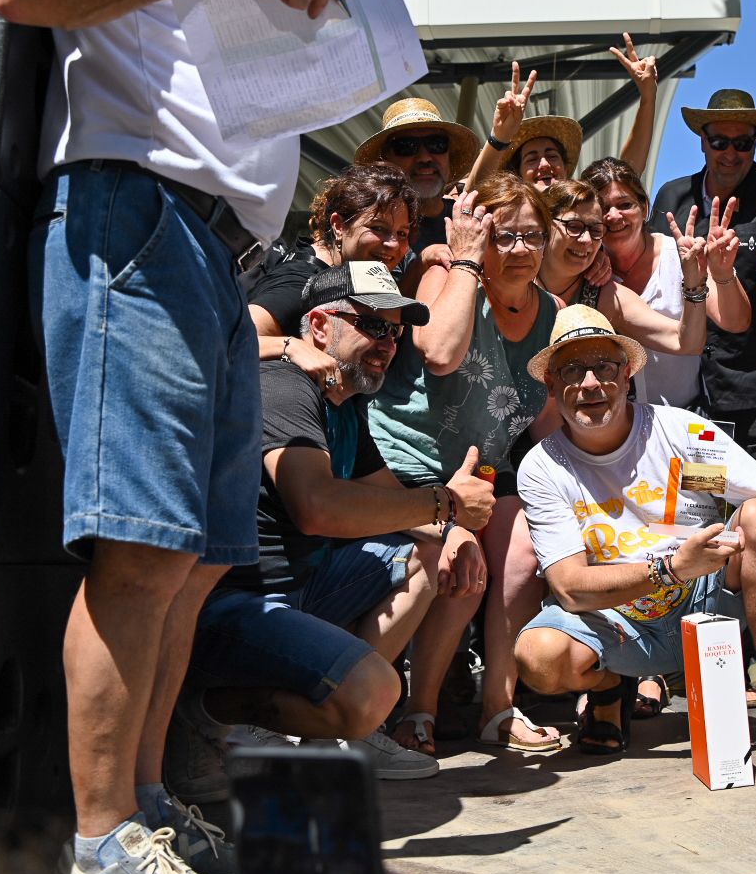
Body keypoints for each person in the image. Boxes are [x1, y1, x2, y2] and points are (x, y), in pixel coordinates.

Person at [0, 0, 371, 874]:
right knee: (143, 546)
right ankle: (104, 848)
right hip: (137, 215)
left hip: (215, 255)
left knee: (196, 563)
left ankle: (144, 813)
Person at [168, 262, 496, 801]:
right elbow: (316, 508)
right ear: (319, 326)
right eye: (372, 324)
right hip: (231, 610)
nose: (388, 343)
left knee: (427, 554)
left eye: (395, 331)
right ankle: (207, 713)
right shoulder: (284, 387)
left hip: (298, 592)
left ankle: (336, 729)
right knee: (372, 694)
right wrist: (444, 503)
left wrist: (452, 524)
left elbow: (395, 501)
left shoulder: (344, 404)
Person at [513, 306, 756, 764]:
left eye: (604, 367)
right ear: (551, 386)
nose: (590, 382)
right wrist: (670, 568)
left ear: (627, 374)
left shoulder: (681, 437)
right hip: (617, 623)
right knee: (538, 656)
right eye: (572, 369)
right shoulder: (543, 467)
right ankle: (611, 685)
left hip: (705, 598)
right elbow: (569, 587)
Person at [367, 173, 563, 756]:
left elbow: (547, 423)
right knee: (462, 555)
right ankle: (418, 710)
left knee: (524, 544)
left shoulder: (551, 311)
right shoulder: (447, 276)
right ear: (480, 236)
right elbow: (442, 354)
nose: (521, 250)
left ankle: (498, 708)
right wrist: (465, 264)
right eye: (505, 236)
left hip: (481, 474)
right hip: (405, 461)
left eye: (532, 236)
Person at [650, 89, 756, 469]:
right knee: (698, 508)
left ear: (755, 145)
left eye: (742, 143)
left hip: (749, 392)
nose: (730, 153)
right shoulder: (671, 196)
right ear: (702, 141)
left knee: (755, 505)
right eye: (719, 141)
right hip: (677, 391)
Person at [583, 156, 752, 408]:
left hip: (683, 419)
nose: (614, 216)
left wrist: (722, 273)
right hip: (611, 426)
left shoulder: (681, 256)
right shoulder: (584, 270)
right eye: (603, 208)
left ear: (644, 207)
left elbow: (736, 322)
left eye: (625, 204)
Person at [246, 163, 415, 383]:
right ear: (338, 225)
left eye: (402, 233)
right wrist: (290, 346)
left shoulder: (344, 272)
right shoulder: (300, 282)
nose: (393, 244)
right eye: (378, 228)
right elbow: (234, 339)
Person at [537, 176, 740, 359]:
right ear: (544, 225)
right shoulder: (516, 273)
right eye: (573, 227)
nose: (586, 240)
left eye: (596, 230)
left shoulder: (605, 296)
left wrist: (694, 282)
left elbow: (686, 343)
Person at [466, 36, 659, 192]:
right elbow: (472, 195)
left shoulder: (585, 208)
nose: (544, 164)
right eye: (531, 159)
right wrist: (499, 137)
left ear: (566, 169)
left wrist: (648, 97)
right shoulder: (505, 215)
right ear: (518, 175)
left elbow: (627, 174)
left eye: (552, 156)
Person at [353, 98, 481, 268]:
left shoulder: (468, 219)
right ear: (385, 161)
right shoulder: (366, 226)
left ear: (449, 157)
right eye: (406, 146)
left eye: (436, 144)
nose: (425, 158)